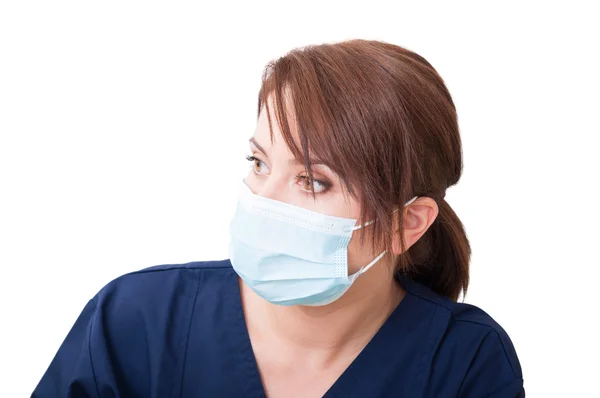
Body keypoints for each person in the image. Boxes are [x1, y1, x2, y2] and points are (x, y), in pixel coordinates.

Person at [32, 39, 524, 397]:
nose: (263, 199)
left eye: (313, 181)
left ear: (407, 223)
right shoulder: (137, 321)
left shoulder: (463, 363)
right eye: (259, 164)